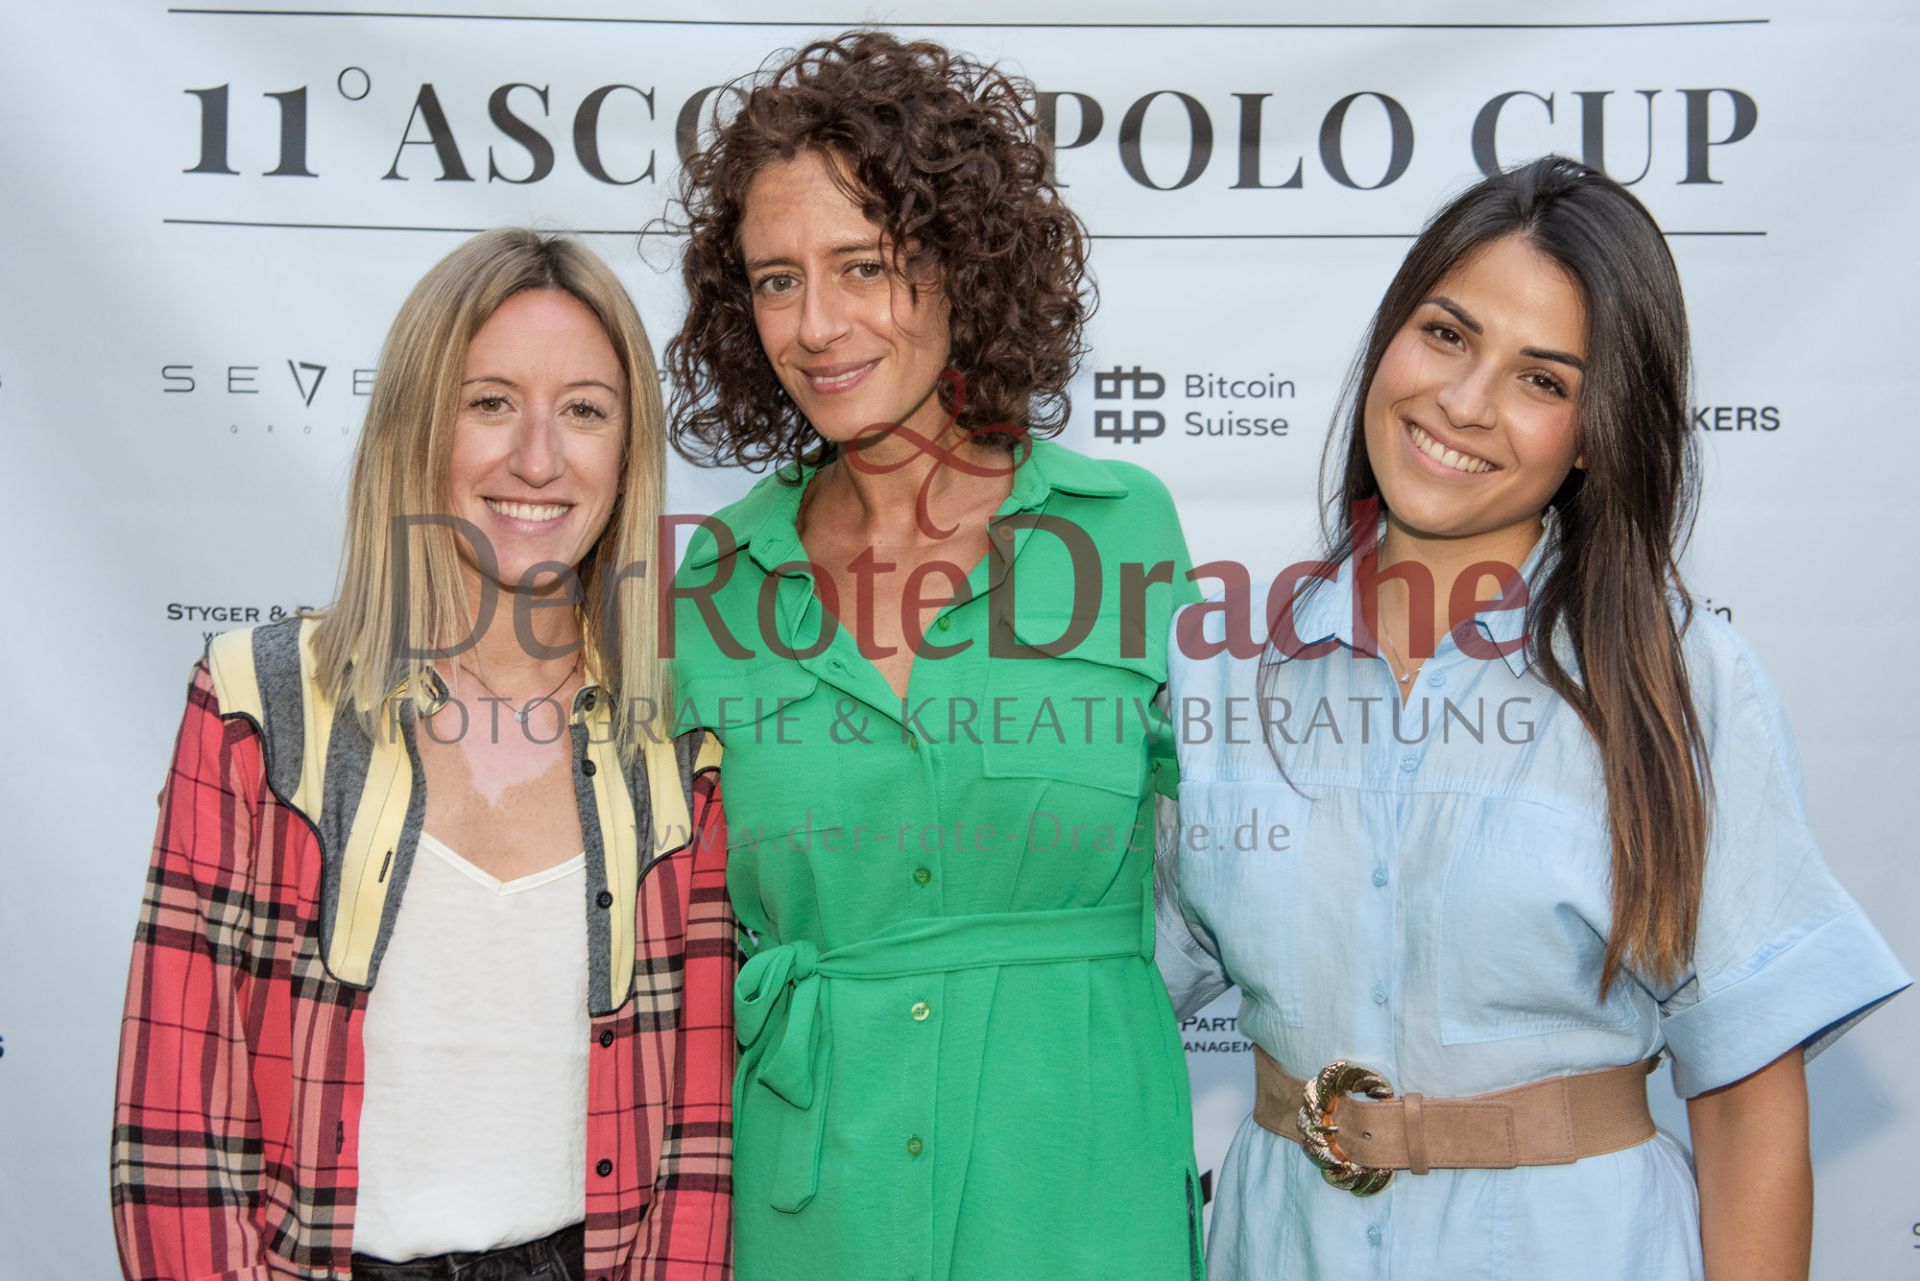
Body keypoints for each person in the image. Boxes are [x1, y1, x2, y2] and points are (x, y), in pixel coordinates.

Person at [1155, 155, 1910, 1281]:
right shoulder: (1218, 668)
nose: (1464, 404)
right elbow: (1098, 990)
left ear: (1598, 432)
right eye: (1446, 334)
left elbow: (1750, 1106)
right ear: (1389, 338)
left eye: (1543, 381)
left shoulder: (1680, 684)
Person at [665, 31, 1204, 1281]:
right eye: (777, 281)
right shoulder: (714, 583)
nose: (818, 326)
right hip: (816, 1216)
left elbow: (1236, 890)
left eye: (864, 266)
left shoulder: (1123, 530)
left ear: (965, 264)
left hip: (1079, 1207)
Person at [111, 229, 735, 1281]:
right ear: (415, 422)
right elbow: (173, 1127)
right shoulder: (258, 700)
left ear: (628, 454)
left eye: (585, 410)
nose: (537, 458)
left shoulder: (683, 733)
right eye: (489, 402)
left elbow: (698, 1145)